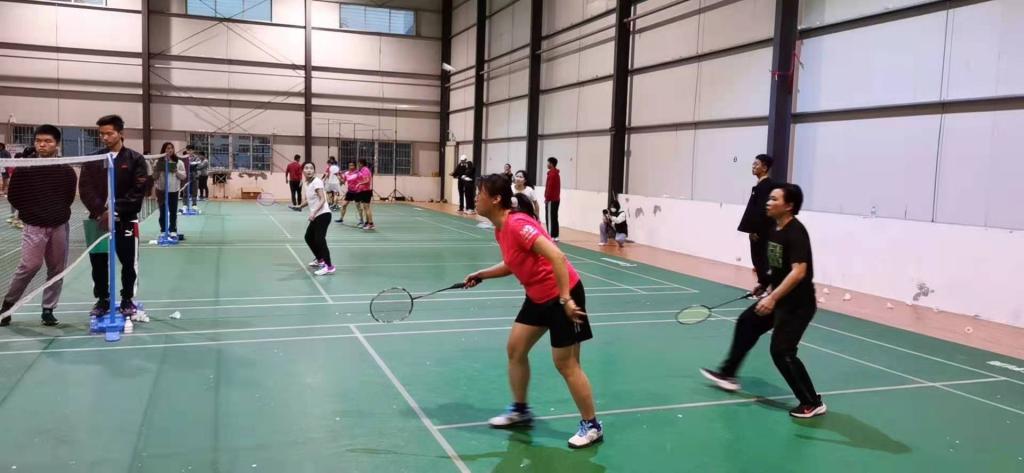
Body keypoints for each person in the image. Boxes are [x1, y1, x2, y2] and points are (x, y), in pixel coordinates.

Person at [464, 173, 603, 449]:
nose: (476, 198)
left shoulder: (518, 225)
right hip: (537, 296)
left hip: (563, 294)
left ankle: (592, 426)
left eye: (480, 194)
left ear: (496, 199)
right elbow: (513, 263)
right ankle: (520, 410)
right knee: (515, 349)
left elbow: (557, 256)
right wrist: (482, 274)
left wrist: (565, 299)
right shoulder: (500, 228)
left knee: (566, 364)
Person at [700, 183, 825, 419]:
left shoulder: (796, 232)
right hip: (779, 298)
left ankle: (812, 402)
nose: (768, 202)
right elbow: (779, 266)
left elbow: (799, 271)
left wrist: (773, 297)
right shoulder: (775, 229)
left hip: (797, 305)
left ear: (789, 206)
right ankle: (728, 374)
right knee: (747, 322)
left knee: (782, 351)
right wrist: (766, 284)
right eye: (769, 198)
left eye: (774, 199)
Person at [0, 125, 77, 327]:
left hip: (59, 225)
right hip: (34, 226)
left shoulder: (67, 170)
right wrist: (33, 212)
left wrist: (55, 212)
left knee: (57, 269)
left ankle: (48, 309)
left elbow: (68, 198)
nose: (42, 145)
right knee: (29, 266)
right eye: (39, 141)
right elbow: (15, 196)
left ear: (57, 144)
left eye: (47, 141)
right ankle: (8, 306)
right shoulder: (25, 168)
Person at [79, 114, 150, 320]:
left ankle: (127, 298)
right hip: (98, 220)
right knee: (98, 262)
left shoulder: (136, 159)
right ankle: (103, 299)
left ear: (120, 133)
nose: (105, 138)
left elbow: (138, 191)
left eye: (109, 133)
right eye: (101, 134)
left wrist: (116, 210)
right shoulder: (93, 159)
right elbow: (85, 189)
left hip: (126, 220)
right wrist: (101, 212)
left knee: (128, 261)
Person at [737, 154, 776, 296]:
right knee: (757, 259)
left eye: (756, 164)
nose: (753, 166)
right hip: (757, 231)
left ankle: (768, 288)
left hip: (762, 232)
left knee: (762, 259)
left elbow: (762, 211)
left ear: (764, 168)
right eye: (753, 164)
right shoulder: (759, 186)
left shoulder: (767, 186)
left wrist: (756, 230)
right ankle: (763, 285)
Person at [295, 162, 335, 276]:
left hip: (323, 214)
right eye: (306, 168)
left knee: (320, 240)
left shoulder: (317, 181)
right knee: (308, 237)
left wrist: (313, 212)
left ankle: (329, 266)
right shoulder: (307, 183)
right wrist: (300, 206)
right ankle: (320, 259)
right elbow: (310, 200)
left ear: (314, 170)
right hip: (317, 215)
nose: (309, 170)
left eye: (311, 168)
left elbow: (322, 199)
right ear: (303, 171)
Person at [152, 142, 187, 238]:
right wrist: (158, 170)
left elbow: (184, 176)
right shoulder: (158, 162)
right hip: (161, 191)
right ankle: (163, 230)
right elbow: (154, 177)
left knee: (173, 212)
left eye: (171, 148)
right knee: (162, 212)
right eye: (167, 148)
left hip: (173, 191)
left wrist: (176, 171)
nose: (170, 150)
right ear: (164, 150)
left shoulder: (179, 162)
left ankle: (173, 230)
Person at [356, 158, 375, 230]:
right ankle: (367, 222)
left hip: (366, 191)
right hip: (363, 191)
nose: (358, 164)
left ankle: (371, 224)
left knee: (367, 208)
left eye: (358, 163)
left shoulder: (365, 170)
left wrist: (359, 184)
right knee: (365, 207)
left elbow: (367, 180)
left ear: (361, 163)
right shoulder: (362, 170)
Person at [545, 157, 561, 241]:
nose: (547, 164)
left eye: (548, 163)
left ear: (551, 164)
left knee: (550, 218)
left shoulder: (552, 174)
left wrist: (547, 198)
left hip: (551, 199)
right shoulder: (556, 173)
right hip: (556, 199)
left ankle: (550, 235)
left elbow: (550, 187)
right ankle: (555, 235)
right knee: (554, 217)